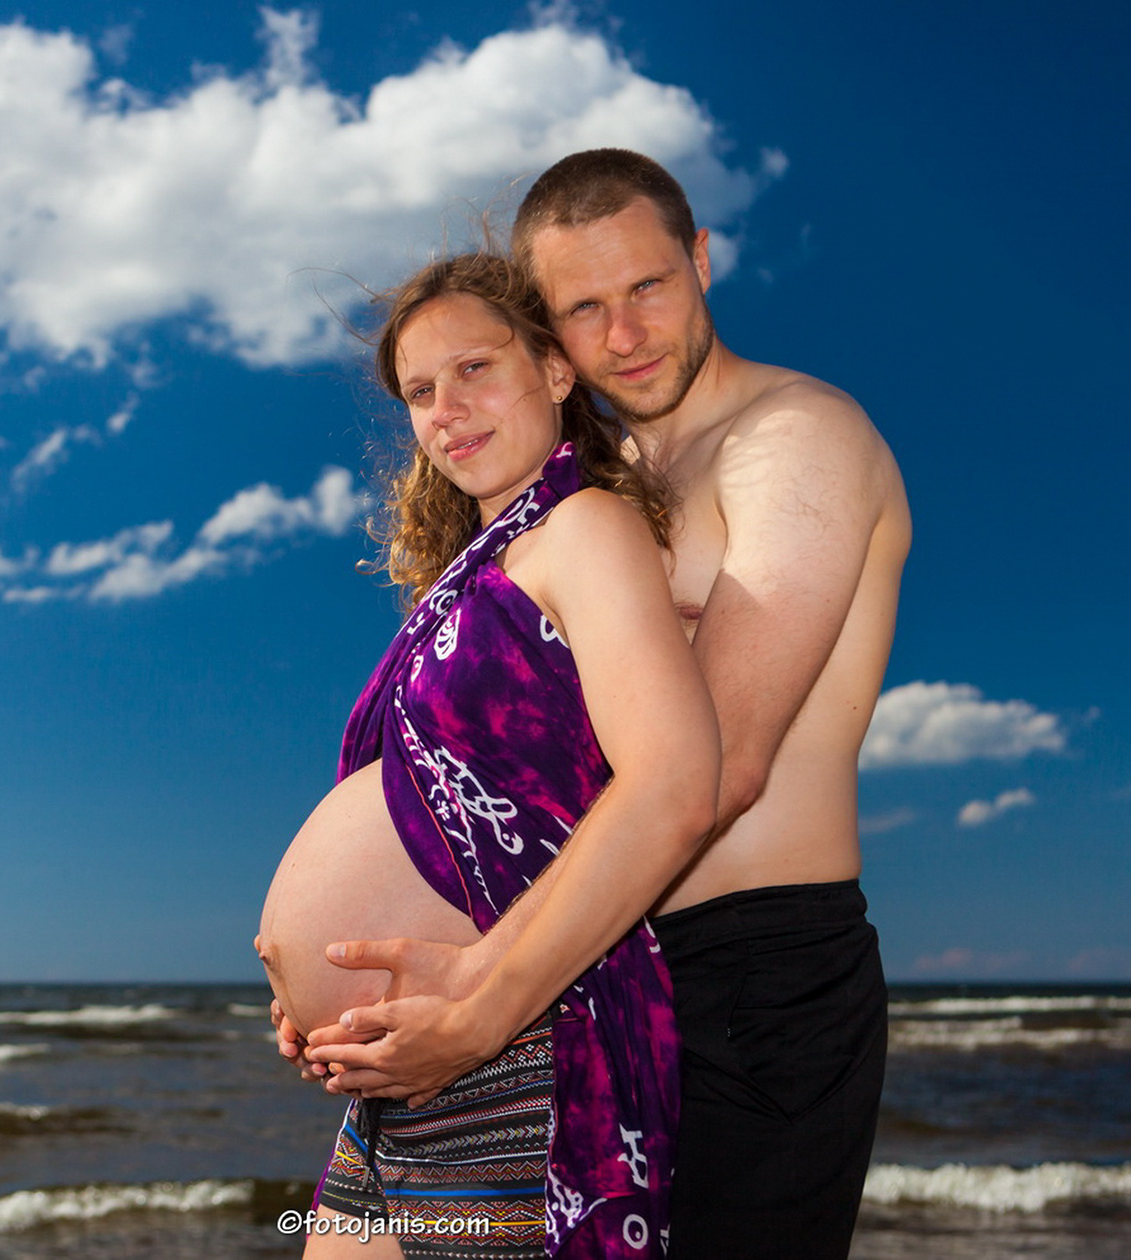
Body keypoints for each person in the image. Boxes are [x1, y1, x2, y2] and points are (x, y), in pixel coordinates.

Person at [289, 149, 912, 1260]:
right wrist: (360, 979)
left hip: (744, 975)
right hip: (576, 959)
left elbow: (713, 767)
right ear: (551, 335)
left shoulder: (793, 440)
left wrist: (480, 996)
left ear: (702, 260)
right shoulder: (578, 489)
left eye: (648, 286)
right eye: (583, 307)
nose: (623, 334)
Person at [256, 252, 720, 1257]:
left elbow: (677, 785)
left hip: (509, 1050)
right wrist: (315, 999)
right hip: (404, 1075)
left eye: (475, 368)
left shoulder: (585, 529)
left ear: (554, 368)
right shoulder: (466, 580)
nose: (447, 409)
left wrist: (481, 1005)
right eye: (421, 391)